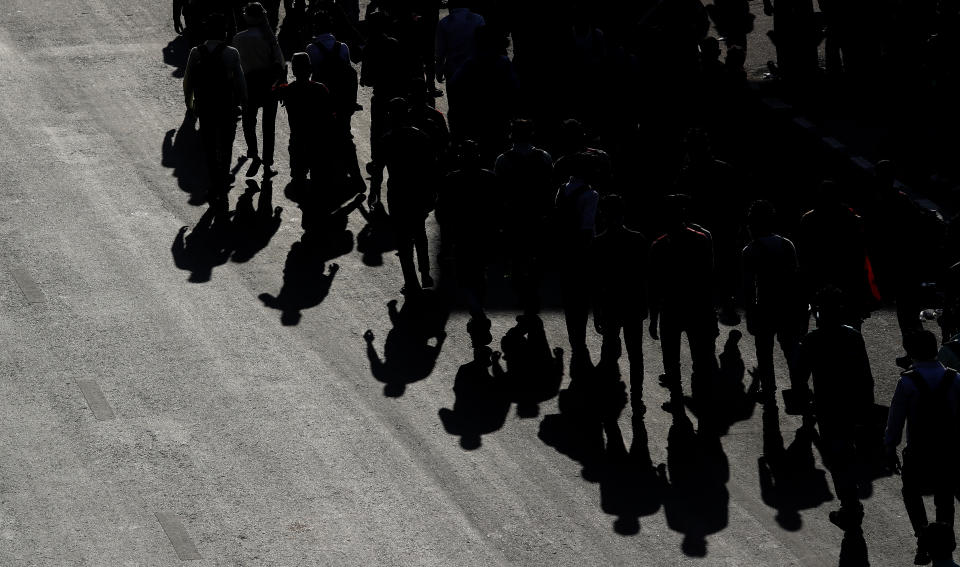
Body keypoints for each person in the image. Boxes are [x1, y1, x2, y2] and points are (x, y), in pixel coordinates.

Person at [794, 287, 874, 533]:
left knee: (838, 460)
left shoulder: (812, 340)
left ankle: (850, 507)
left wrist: (804, 406)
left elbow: (799, 378)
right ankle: (851, 505)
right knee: (851, 455)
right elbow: (866, 375)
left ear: (819, 313)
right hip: (855, 405)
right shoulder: (853, 336)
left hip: (829, 408)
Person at [885, 330, 960, 565]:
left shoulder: (907, 381)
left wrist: (890, 448)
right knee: (945, 497)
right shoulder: (955, 379)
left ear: (911, 353)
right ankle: (944, 542)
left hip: (918, 452)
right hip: (948, 452)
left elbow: (895, 420)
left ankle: (922, 536)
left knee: (911, 493)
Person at [648, 194, 718, 414]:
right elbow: (709, 276)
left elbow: (654, 285)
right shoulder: (701, 239)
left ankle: (676, 398)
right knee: (700, 357)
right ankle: (701, 398)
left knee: (671, 357)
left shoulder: (659, 245)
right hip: (697, 307)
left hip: (671, 308)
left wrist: (653, 317)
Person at [741, 200, 805, 404]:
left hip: (764, 308)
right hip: (788, 306)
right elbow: (796, 279)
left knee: (764, 351)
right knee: (791, 348)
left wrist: (749, 312)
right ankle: (799, 387)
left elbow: (748, 286)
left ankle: (768, 389)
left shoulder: (750, 251)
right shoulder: (787, 244)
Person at [373, 97, 438, 294]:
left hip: (398, 193)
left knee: (403, 238)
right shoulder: (421, 137)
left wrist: (374, 192)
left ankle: (410, 280)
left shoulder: (387, 139)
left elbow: (378, 170)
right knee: (419, 233)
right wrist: (432, 192)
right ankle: (425, 273)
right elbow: (431, 168)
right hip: (418, 191)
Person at [183, 13, 248, 207]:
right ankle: (224, 176)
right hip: (226, 105)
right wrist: (244, 104)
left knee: (209, 144)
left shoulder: (196, 52)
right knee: (226, 143)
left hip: (205, 106)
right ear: (224, 32)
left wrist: (190, 104)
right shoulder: (231, 53)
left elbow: (188, 82)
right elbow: (240, 83)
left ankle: (213, 179)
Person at [592, 194, 648, 411]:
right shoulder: (638, 239)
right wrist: (646, 305)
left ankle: (608, 394)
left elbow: (596, 282)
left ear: (603, 215)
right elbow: (644, 277)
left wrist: (597, 311)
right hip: (633, 302)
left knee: (609, 349)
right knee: (636, 354)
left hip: (610, 304)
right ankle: (637, 397)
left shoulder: (598, 243)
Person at [494, 119, 554, 316]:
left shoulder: (503, 160)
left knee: (516, 257)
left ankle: (522, 293)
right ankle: (534, 291)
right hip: (537, 215)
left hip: (514, 217)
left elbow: (499, 193)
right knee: (538, 255)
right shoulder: (544, 157)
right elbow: (549, 188)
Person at [554, 152, 600, 379]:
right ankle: (579, 337)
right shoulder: (590, 194)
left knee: (569, 295)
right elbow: (587, 227)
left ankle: (574, 335)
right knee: (582, 296)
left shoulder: (563, 189)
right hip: (581, 253)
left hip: (563, 250)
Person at [232, 2, 285, 177]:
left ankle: (254, 154)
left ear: (247, 17)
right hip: (269, 84)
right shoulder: (269, 38)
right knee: (268, 125)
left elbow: (235, 67)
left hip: (249, 84)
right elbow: (280, 63)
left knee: (249, 122)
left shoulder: (238, 39)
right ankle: (268, 164)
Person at [273, 52, 335, 185]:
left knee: (298, 179)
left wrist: (281, 78)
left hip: (297, 141)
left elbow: (272, 92)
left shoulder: (287, 90)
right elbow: (330, 116)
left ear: (293, 71)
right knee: (318, 178)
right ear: (310, 69)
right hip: (318, 141)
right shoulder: (320, 89)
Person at [435, 2, 485, 88]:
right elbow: (484, 46)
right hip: (475, 70)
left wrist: (439, 72)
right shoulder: (478, 19)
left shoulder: (443, 23)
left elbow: (440, 52)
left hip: (453, 71)